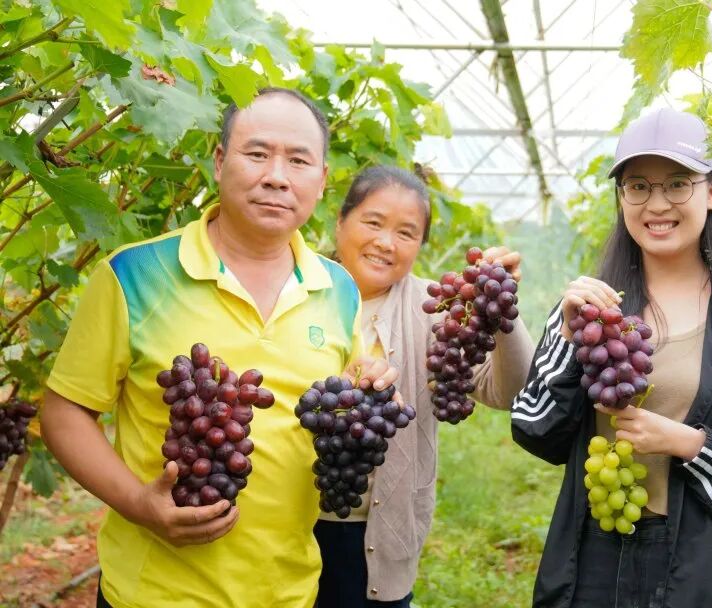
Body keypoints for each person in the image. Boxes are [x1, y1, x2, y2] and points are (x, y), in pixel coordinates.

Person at [41, 88, 398, 608]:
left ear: (320, 182)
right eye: (257, 153)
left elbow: (340, 391)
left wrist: (366, 382)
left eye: (298, 160)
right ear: (219, 161)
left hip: (290, 591)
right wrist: (139, 505)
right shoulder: (133, 275)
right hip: (153, 595)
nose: (277, 175)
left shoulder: (339, 288)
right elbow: (64, 412)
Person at [511, 108, 712, 607]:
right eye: (638, 186)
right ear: (622, 198)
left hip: (704, 571)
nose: (656, 203)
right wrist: (565, 336)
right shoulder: (591, 307)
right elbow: (536, 430)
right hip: (594, 562)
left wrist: (686, 442)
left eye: (677, 184)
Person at [314, 165, 536, 607]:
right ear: (340, 221)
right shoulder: (297, 292)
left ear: (420, 245)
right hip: (286, 522)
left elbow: (507, 392)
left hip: (381, 531)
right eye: (373, 222)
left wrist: (501, 309)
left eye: (406, 232)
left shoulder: (434, 308)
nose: (385, 242)